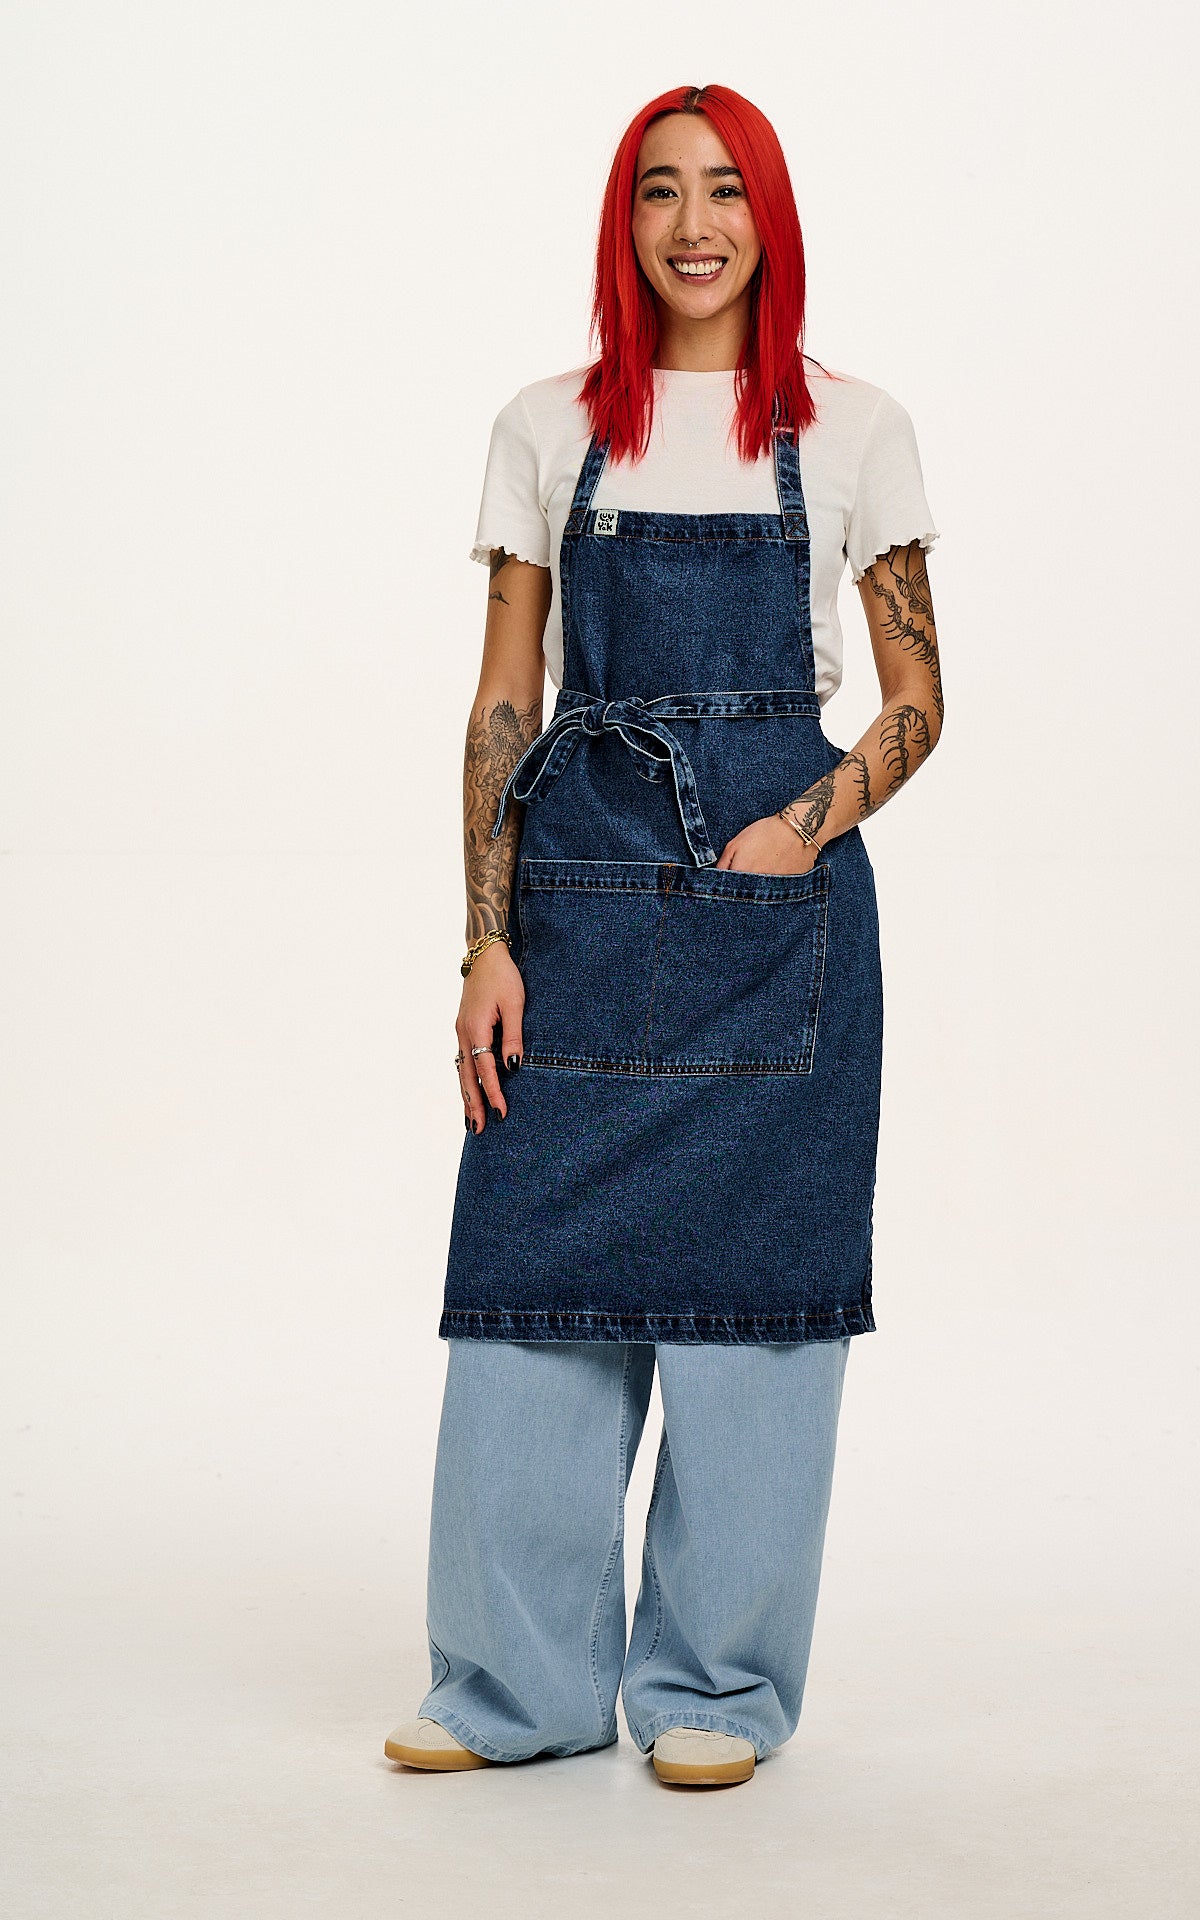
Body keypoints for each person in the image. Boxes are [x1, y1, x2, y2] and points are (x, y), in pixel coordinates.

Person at [384, 83, 942, 1789]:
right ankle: (518, 1688)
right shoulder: (546, 426)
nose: (693, 226)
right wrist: (484, 941)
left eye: (725, 191)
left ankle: (716, 1689)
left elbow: (918, 699)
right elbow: (503, 701)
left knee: (759, 1300)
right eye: (658, 193)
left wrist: (802, 829)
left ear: (770, 217)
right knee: (528, 1282)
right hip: (577, 891)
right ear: (622, 223)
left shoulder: (855, 428)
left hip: (776, 916)